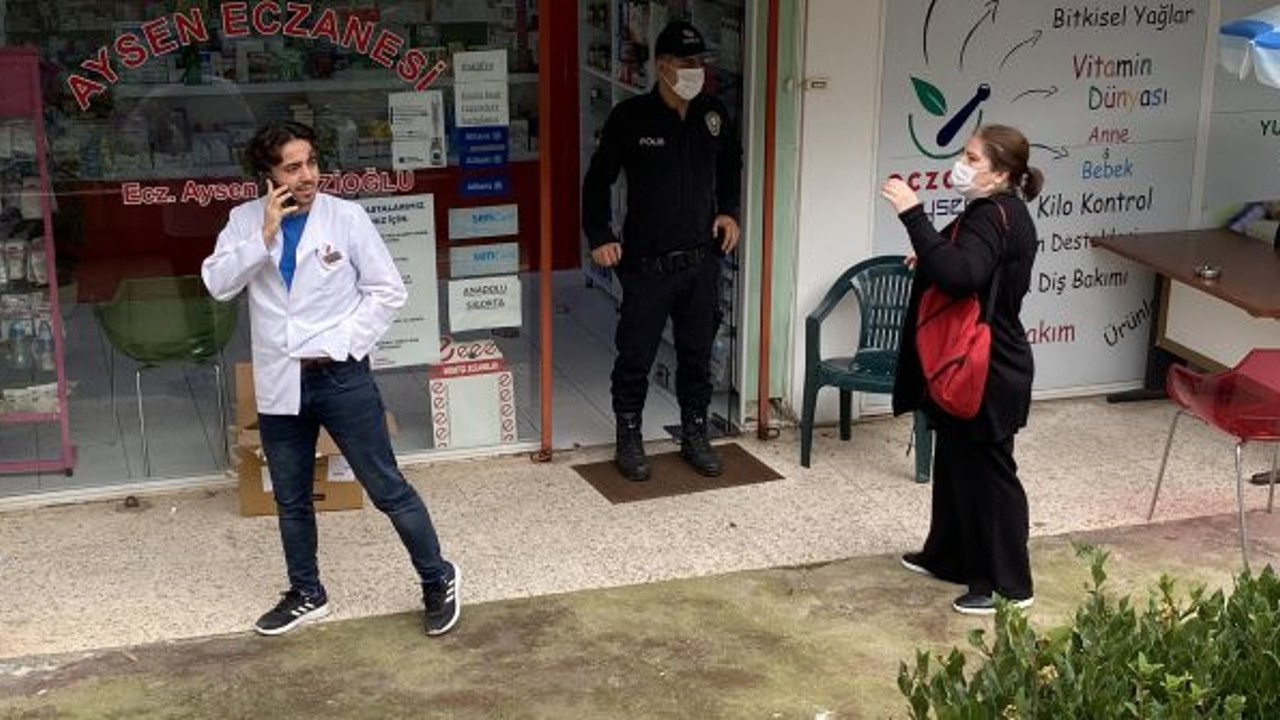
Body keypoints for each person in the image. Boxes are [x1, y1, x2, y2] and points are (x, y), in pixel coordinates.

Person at [202, 121, 460, 636]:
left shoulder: (347, 217)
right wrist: (264, 234)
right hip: (281, 381)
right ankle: (306, 592)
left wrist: (343, 343)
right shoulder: (244, 221)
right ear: (267, 176)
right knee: (291, 497)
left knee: (387, 487)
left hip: (341, 376)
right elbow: (218, 284)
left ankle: (437, 576)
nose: (307, 176)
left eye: (312, 163)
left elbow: (387, 291)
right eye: (292, 167)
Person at [879, 124, 1043, 615]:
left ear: (1000, 174)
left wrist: (913, 215)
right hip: (978, 361)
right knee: (955, 462)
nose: (962, 163)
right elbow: (968, 261)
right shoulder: (996, 212)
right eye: (964, 154)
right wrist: (930, 251)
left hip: (988, 367)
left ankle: (1008, 584)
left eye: (973, 158)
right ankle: (948, 556)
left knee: (990, 472)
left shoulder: (994, 215)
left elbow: (962, 275)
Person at [582, 20, 743, 482]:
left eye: (700, 63)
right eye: (686, 63)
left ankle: (695, 431)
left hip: (701, 261)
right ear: (662, 66)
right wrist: (600, 235)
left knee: (696, 355)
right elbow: (598, 180)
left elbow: (732, 162)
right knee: (636, 355)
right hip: (648, 265)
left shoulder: (713, 114)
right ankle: (628, 434)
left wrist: (730, 211)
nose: (697, 71)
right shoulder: (631, 117)